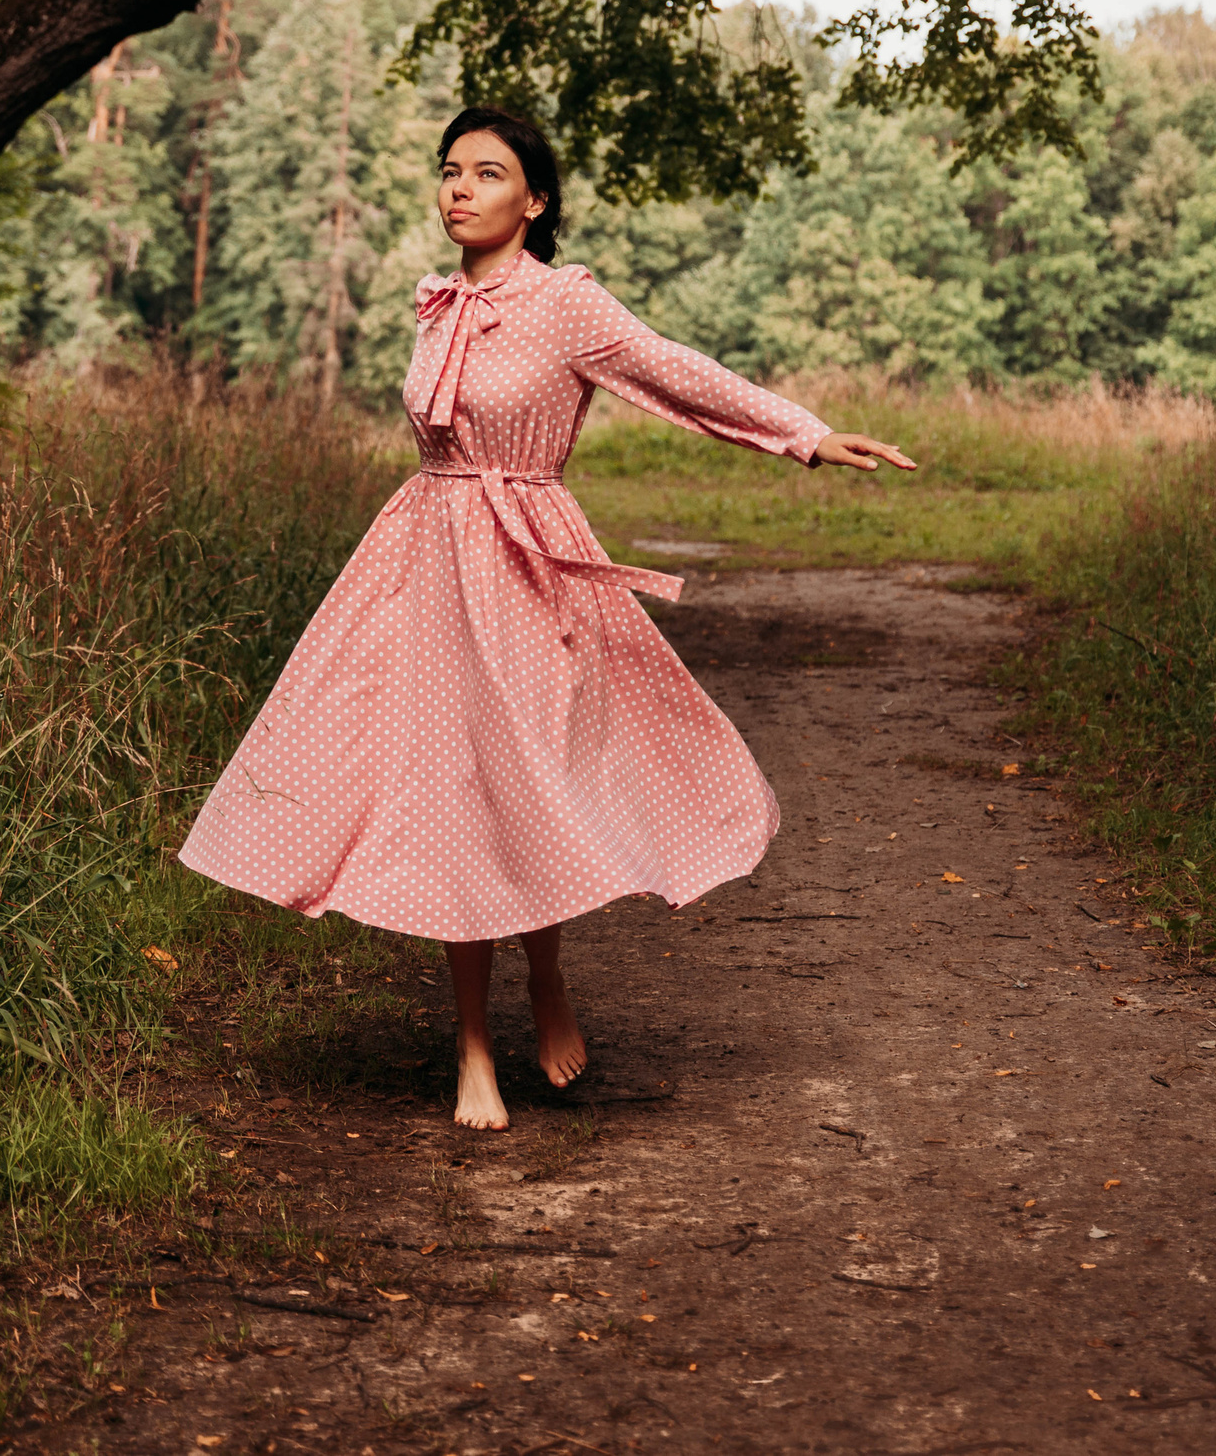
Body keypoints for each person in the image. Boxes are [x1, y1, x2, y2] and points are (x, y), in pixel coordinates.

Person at [178, 105, 917, 1130]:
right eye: (448, 171)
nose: (459, 189)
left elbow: (675, 370)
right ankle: (474, 1045)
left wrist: (803, 433)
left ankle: (549, 981)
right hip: (424, 558)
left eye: (486, 174)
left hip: (527, 561)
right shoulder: (437, 304)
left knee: (537, 780)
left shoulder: (567, 304)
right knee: (449, 794)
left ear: (534, 201)